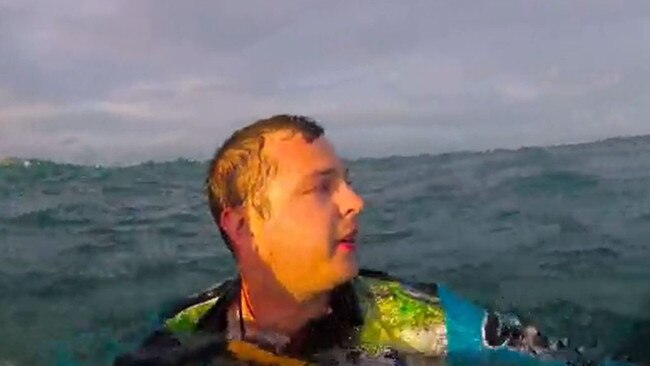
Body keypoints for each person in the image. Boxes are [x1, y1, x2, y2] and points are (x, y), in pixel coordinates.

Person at [115, 115, 636, 366]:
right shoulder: (181, 335)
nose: (355, 201)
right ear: (242, 225)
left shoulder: (424, 321)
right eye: (322, 187)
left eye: (347, 180)